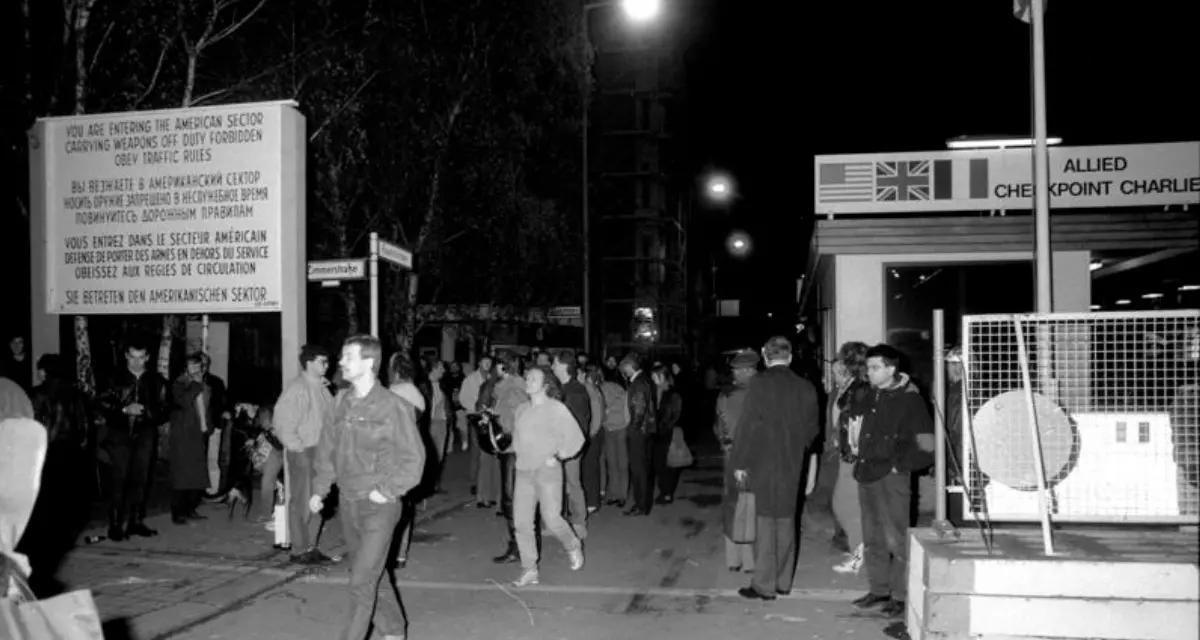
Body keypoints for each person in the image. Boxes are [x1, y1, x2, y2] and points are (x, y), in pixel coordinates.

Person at [311, 334, 425, 640]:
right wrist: (320, 489)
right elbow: (328, 450)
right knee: (371, 572)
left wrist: (387, 490)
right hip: (349, 503)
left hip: (380, 506)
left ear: (369, 362)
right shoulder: (340, 402)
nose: (341, 362)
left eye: (348, 356)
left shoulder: (393, 407)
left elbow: (414, 460)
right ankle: (394, 631)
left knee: (361, 580)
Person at [730, 336, 820, 601]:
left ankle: (764, 584)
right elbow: (812, 430)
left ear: (765, 356)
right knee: (786, 519)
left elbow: (747, 425)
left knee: (765, 522)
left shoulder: (759, 383)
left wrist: (739, 462)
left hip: (763, 460)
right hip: (792, 461)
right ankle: (783, 581)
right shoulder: (805, 387)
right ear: (789, 357)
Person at [848, 343, 934, 619]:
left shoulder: (910, 401)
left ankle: (900, 594)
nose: (868, 373)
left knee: (896, 537)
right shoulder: (872, 395)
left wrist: (900, 466)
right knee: (872, 537)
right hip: (868, 473)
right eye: (868, 367)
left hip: (892, 477)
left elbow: (928, 445)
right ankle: (880, 589)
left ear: (891, 369)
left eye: (875, 368)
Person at [509, 365, 585, 587]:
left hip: (547, 471)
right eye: (527, 377)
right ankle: (529, 569)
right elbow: (516, 440)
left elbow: (576, 438)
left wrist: (559, 456)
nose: (528, 380)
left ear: (546, 385)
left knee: (552, 519)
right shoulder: (521, 409)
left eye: (534, 378)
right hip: (523, 471)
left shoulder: (556, 409)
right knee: (522, 523)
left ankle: (572, 544)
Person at [96, 340, 168, 542]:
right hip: (119, 434)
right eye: (132, 357)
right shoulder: (113, 378)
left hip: (145, 433)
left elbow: (165, 408)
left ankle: (136, 521)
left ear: (147, 358)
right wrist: (123, 410)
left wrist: (146, 411)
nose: (136, 362)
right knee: (119, 479)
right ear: (126, 356)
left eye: (141, 357)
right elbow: (100, 401)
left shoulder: (156, 380)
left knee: (141, 479)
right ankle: (116, 524)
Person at [274, 344, 336, 564]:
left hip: (320, 451)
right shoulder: (298, 388)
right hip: (305, 451)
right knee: (302, 501)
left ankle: (310, 546)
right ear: (309, 362)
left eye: (327, 362)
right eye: (322, 361)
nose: (327, 366)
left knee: (317, 500)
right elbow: (282, 422)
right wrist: (297, 447)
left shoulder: (322, 388)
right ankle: (299, 549)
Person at [828, 342, 871, 574]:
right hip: (848, 454)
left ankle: (859, 554)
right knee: (845, 505)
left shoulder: (858, 389)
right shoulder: (852, 388)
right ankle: (860, 549)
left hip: (853, 456)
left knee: (846, 505)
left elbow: (857, 423)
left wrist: (852, 450)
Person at [716, 348, 758, 573]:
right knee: (750, 503)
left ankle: (733, 559)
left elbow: (719, 427)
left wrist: (725, 444)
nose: (734, 373)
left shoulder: (725, 396)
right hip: (753, 455)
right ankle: (750, 560)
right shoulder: (760, 395)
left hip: (731, 455)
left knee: (732, 503)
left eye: (736, 370)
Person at [488, 353, 530, 564]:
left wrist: (498, 425)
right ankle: (520, 546)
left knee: (511, 500)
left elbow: (517, 420)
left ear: (503, 368)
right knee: (514, 500)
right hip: (512, 449)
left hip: (514, 449)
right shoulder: (512, 389)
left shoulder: (513, 391)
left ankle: (518, 547)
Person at [169, 353, 214, 525]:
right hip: (182, 434)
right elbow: (185, 401)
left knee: (196, 473)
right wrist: (196, 384)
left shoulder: (204, 385)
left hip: (197, 433)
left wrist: (207, 426)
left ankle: (190, 508)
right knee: (181, 474)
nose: (196, 369)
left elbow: (207, 407)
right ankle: (178, 512)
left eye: (198, 366)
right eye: (192, 365)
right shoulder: (179, 384)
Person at [550, 349, 591, 538]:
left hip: (571, 445)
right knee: (558, 484)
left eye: (555, 363)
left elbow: (580, 422)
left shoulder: (576, 391)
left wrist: (572, 448)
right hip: (558, 444)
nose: (552, 366)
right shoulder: (561, 388)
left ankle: (579, 522)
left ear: (564, 366)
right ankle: (559, 523)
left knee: (573, 483)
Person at [619, 354, 657, 516]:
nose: (622, 371)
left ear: (629, 366)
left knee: (638, 469)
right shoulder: (644, 380)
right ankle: (642, 503)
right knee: (642, 468)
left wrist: (632, 428)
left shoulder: (639, 382)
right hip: (644, 430)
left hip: (639, 432)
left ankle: (641, 505)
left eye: (624, 367)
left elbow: (639, 408)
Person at [652, 364, 684, 504]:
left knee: (669, 464)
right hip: (657, 432)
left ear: (663, 376)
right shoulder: (656, 391)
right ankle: (664, 490)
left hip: (668, 432)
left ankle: (667, 492)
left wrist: (664, 426)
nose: (653, 379)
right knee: (659, 463)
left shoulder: (673, 393)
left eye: (655, 376)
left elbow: (675, 414)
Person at [598, 368, 630, 507]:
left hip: (620, 427)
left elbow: (624, 399)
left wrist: (608, 409)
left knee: (621, 463)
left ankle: (622, 494)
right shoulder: (599, 388)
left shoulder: (610, 387)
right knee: (611, 463)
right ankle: (614, 493)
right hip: (608, 428)